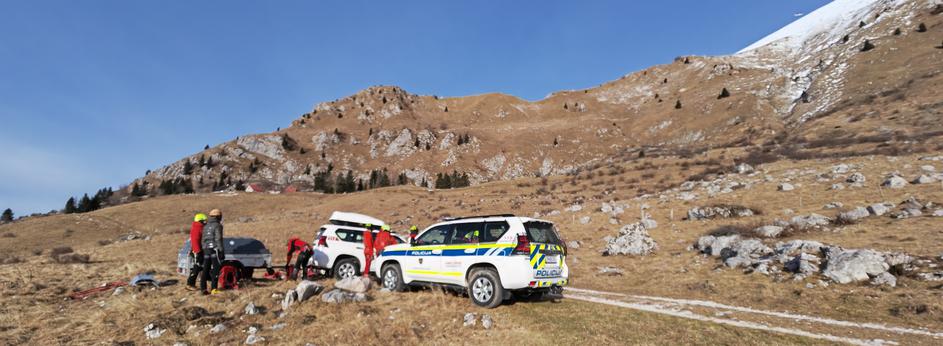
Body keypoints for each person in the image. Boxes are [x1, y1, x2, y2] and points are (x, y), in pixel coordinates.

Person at [200, 209, 225, 294]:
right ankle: (214, 289)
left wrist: (204, 248)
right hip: (215, 249)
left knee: (205, 269)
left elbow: (203, 239)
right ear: (218, 216)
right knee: (216, 269)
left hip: (206, 249)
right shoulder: (218, 225)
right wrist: (221, 251)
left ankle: (203, 289)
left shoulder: (205, 226)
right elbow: (218, 239)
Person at [185, 213, 208, 290]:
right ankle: (190, 284)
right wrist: (198, 251)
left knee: (198, 266)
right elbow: (195, 241)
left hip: (198, 250)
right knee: (197, 266)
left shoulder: (199, 227)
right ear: (200, 221)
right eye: (204, 221)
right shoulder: (197, 228)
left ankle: (192, 283)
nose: (206, 222)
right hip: (197, 250)